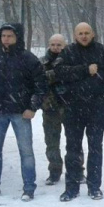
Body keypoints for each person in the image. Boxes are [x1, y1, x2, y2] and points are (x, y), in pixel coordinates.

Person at [0, 23, 46, 201]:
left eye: (10, 36)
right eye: (3, 36)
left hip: (20, 113)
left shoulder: (29, 59)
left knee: (26, 151)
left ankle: (29, 188)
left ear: (17, 37)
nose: (6, 39)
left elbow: (40, 86)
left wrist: (32, 107)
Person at [54, 22, 104, 201]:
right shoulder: (67, 52)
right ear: (75, 36)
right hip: (73, 106)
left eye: (87, 33)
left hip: (96, 105)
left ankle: (94, 187)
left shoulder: (103, 52)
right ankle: (71, 187)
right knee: (72, 148)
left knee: (95, 148)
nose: (84, 36)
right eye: (80, 33)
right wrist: (85, 70)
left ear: (93, 34)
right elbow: (59, 72)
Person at [40, 34, 67, 185]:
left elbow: (72, 76)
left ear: (64, 45)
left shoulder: (70, 60)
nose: (56, 47)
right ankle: (54, 171)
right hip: (49, 108)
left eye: (59, 45)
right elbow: (40, 80)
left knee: (73, 142)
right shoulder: (42, 62)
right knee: (51, 142)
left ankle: (77, 170)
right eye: (53, 44)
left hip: (69, 107)